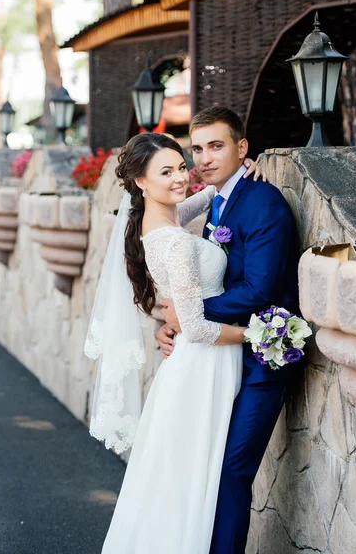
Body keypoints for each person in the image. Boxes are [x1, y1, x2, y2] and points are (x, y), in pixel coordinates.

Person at [84, 132, 263, 554]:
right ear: (141, 182)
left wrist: (238, 171)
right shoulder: (175, 240)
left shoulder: (164, 217)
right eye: (166, 171)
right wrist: (259, 333)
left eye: (182, 166)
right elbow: (196, 326)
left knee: (178, 474)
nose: (181, 177)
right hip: (203, 365)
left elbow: (204, 198)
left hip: (195, 363)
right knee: (189, 477)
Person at [157, 106, 300, 554]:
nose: (203, 158)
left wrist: (187, 313)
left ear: (242, 148)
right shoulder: (219, 199)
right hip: (220, 357)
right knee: (204, 466)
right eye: (196, 148)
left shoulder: (262, 202)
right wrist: (177, 322)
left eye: (216, 146)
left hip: (262, 362)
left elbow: (258, 290)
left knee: (232, 470)